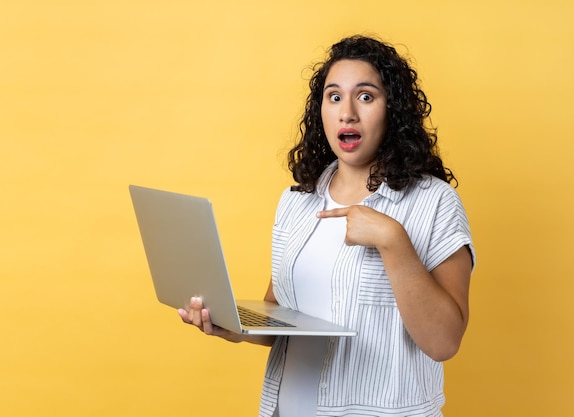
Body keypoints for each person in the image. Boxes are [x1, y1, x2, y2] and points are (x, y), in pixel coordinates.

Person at [178, 35, 475, 417]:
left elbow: (444, 342)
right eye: (334, 97)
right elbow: (279, 315)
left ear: (393, 110)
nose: (347, 112)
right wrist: (231, 325)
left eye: (365, 96)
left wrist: (392, 240)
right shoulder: (296, 201)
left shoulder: (434, 203)